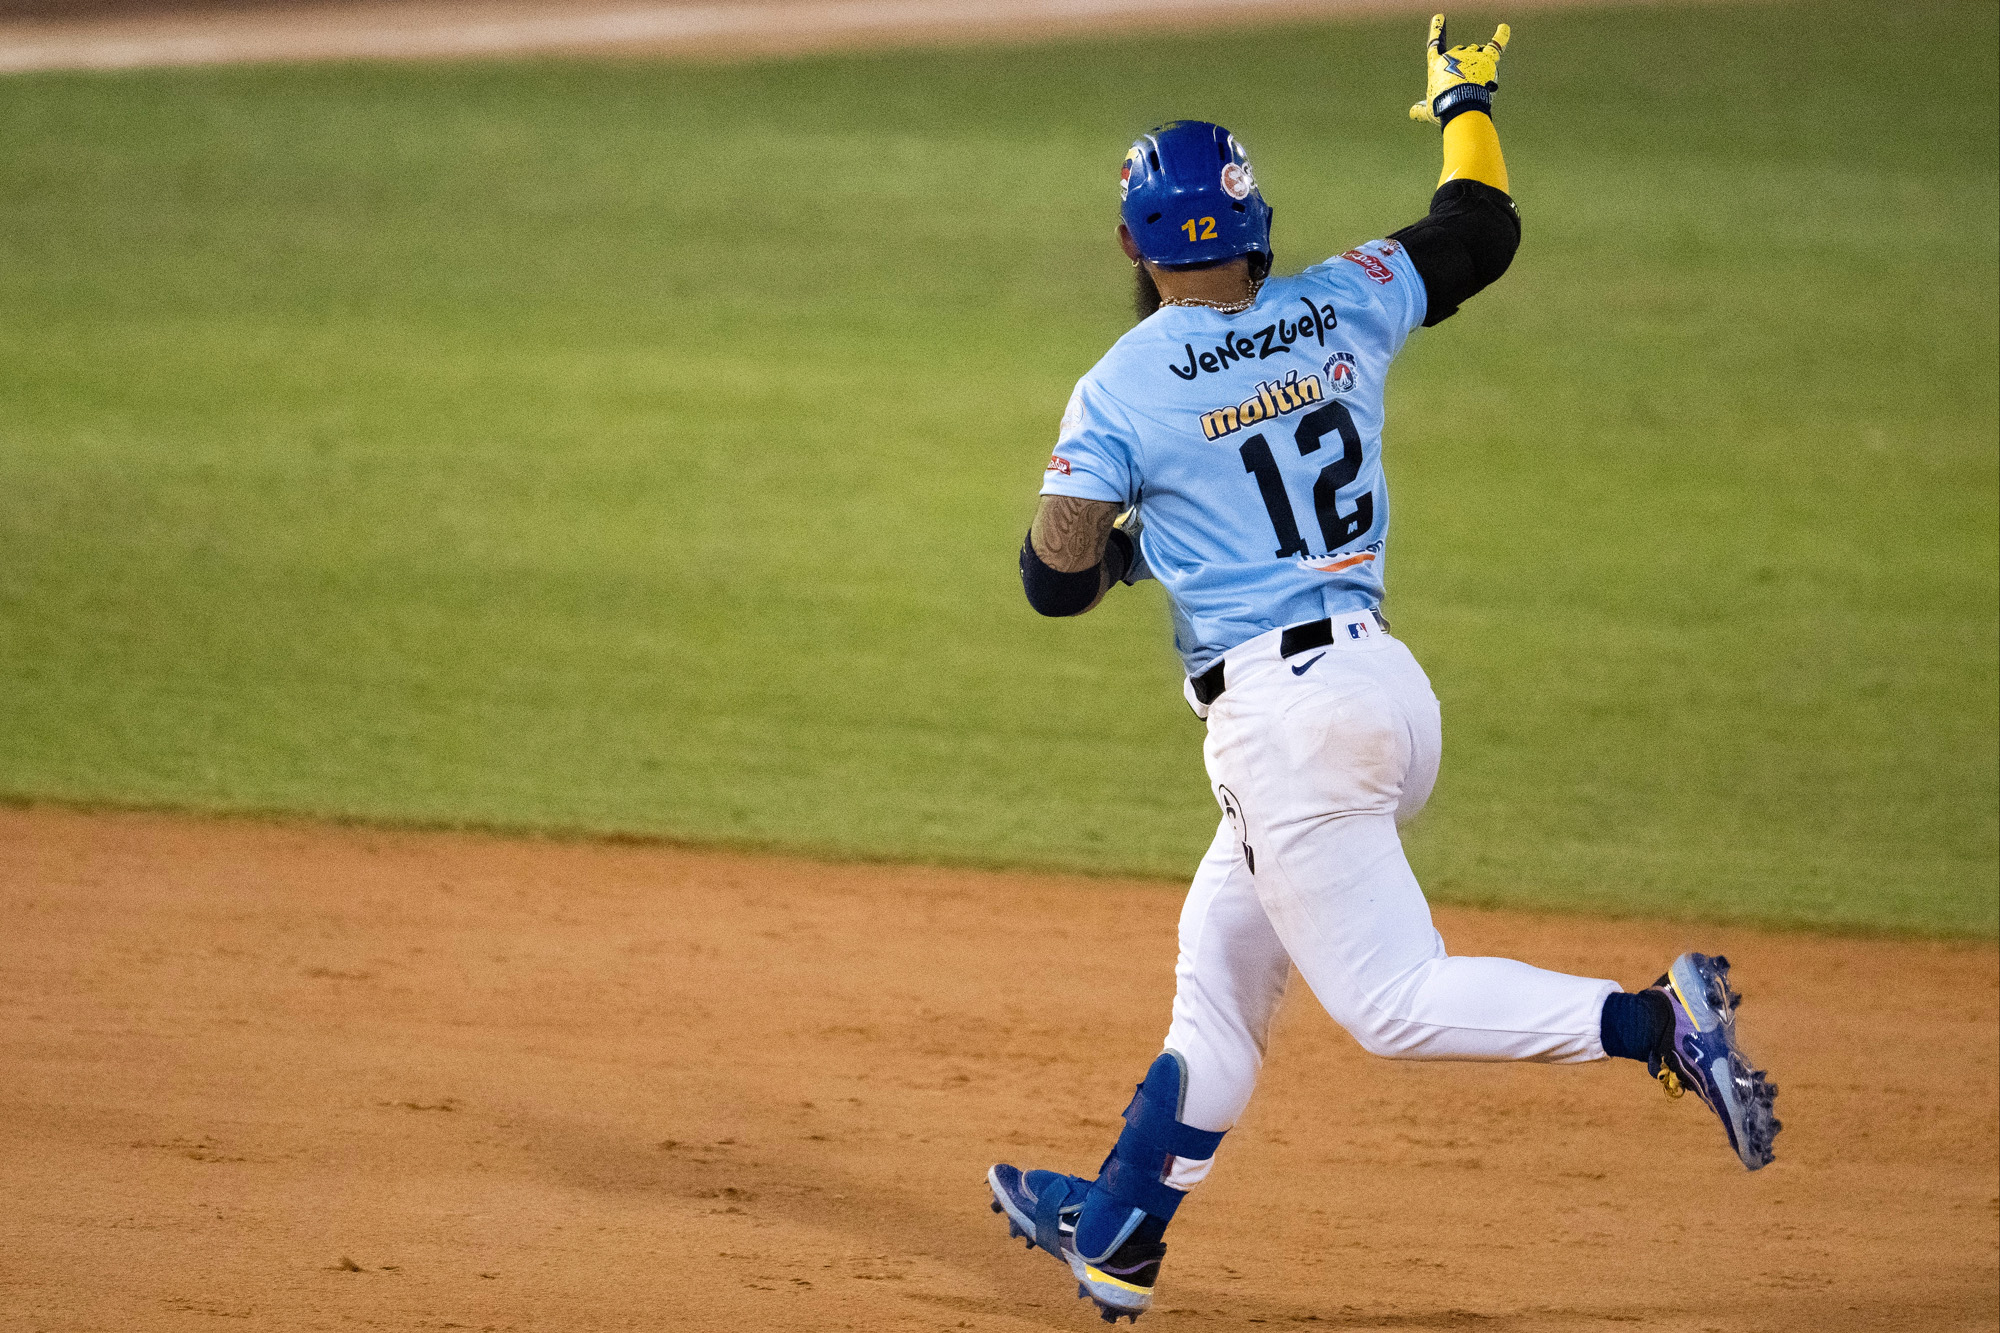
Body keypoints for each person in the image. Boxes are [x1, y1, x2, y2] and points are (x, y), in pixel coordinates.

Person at [986, 16, 1780, 1325]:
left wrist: (1129, 549)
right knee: (1219, 972)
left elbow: (1051, 577)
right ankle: (1120, 1225)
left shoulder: (1120, 389)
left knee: (1394, 1003)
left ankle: (1659, 1025)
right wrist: (1465, 97)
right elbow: (1482, 227)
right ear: (1255, 229)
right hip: (1389, 701)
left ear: (1133, 245)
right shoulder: (1344, 293)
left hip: (1286, 730)